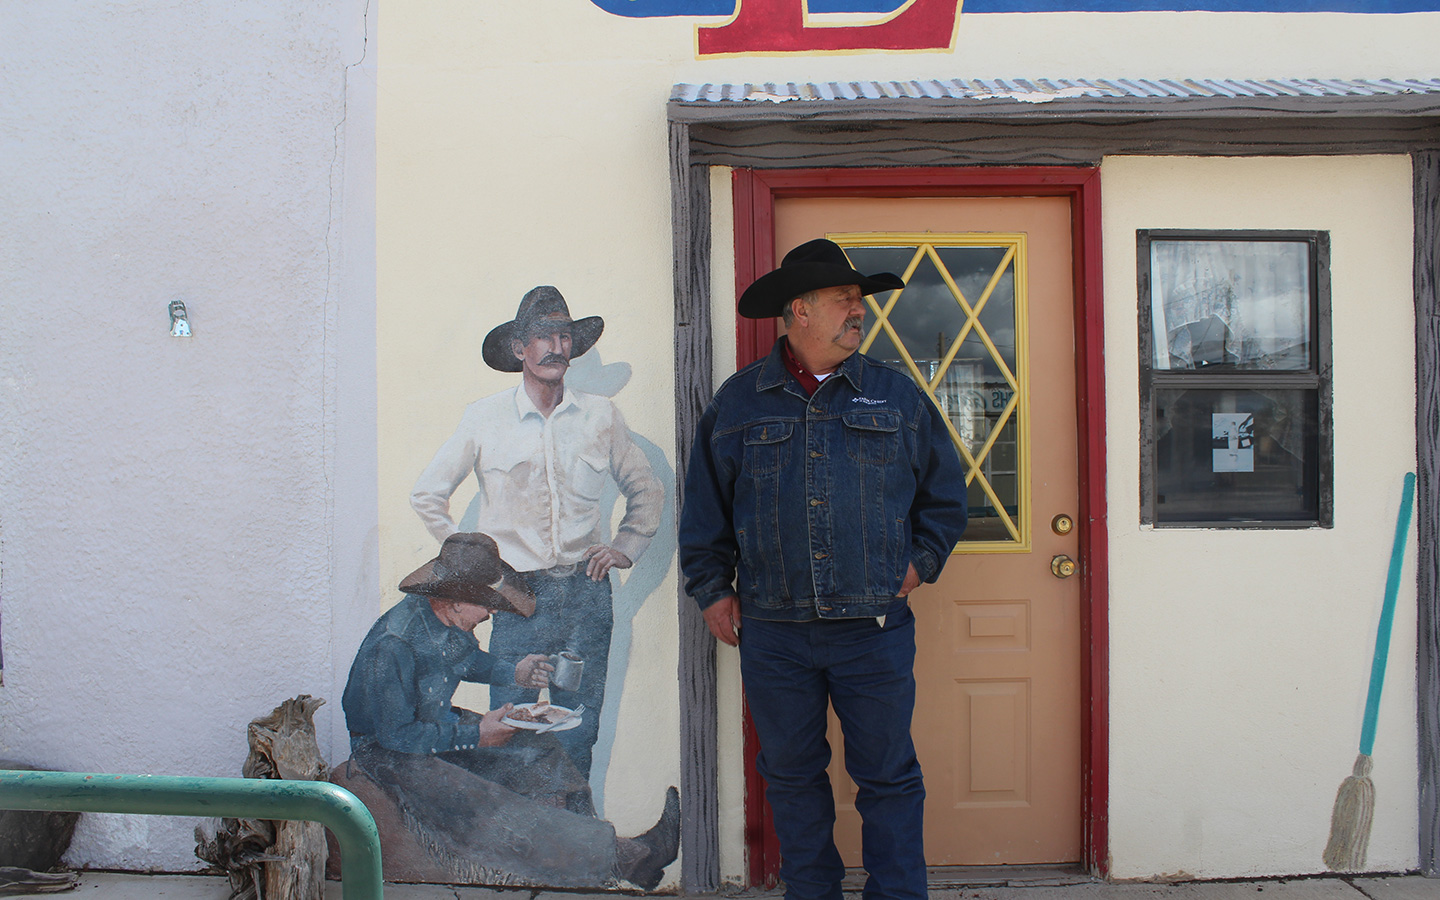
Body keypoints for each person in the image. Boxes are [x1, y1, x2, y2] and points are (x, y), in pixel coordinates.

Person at [678, 239, 969, 900]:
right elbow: (704, 513)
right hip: (774, 633)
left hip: (873, 629)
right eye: (844, 299)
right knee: (790, 775)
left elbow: (947, 501)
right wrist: (710, 591)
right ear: (798, 311)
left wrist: (919, 566)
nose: (857, 310)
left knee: (889, 775)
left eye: (858, 300)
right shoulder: (740, 405)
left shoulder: (896, 397)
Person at [410, 286, 664, 778]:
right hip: (517, 596)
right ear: (518, 349)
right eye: (542, 336)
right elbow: (427, 495)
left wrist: (624, 549)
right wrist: (479, 568)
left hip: (587, 597)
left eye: (564, 335)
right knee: (511, 726)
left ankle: (574, 839)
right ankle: (515, 846)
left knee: (579, 728)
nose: (555, 346)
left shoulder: (600, 416)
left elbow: (646, 489)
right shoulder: (484, 418)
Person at [341, 532, 679, 889]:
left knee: (539, 749)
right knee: (482, 798)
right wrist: (476, 734)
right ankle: (630, 858)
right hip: (387, 754)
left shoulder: (444, 618)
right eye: (485, 603)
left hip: (432, 728)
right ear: (455, 600)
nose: (492, 612)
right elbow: (397, 735)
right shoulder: (393, 645)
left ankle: (593, 855)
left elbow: (467, 659)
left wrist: (513, 670)